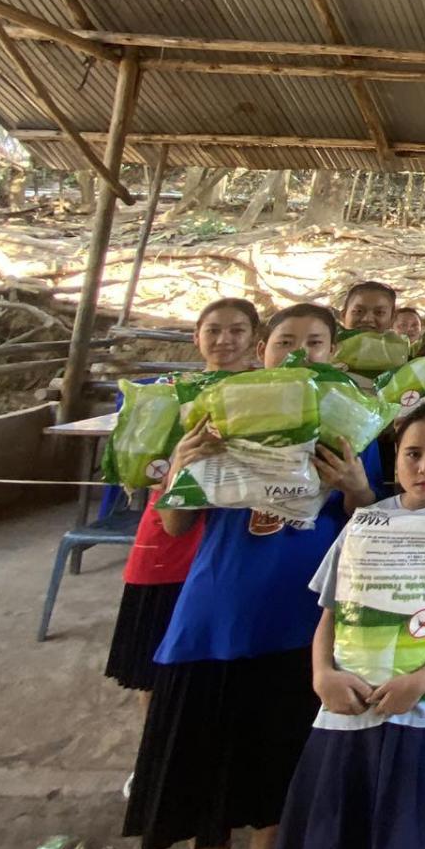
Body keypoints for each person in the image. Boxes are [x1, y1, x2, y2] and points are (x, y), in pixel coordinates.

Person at [123, 304, 377, 849]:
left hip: (304, 619)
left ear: (332, 352)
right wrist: (181, 470)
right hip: (216, 614)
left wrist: (359, 486)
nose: (299, 353)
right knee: (203, 773)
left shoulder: (352, 420)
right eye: (285, 341)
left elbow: (372, 526)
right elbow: (175, 524)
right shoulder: (218, 412)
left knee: (282, 776)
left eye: (315, 342)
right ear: (263, 348)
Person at [273, 400, 425, 849]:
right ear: (396, 457)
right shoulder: (368, 520)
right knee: (337, 837)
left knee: (422, 838)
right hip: (350, 707)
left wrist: (422, 679)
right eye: (413, 453)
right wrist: (322, 674)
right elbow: (333, 608)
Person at [106, 298, 262, 697]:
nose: (224, 339)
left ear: (256, 339)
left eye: (237, 330)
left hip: (239, 537)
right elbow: (139, 468)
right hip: (168, 533)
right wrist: (174, 465)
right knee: (154, 665)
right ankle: (149, 759)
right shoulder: (164, 397)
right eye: (213, 330)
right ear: (196, 337)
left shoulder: (271, 397)